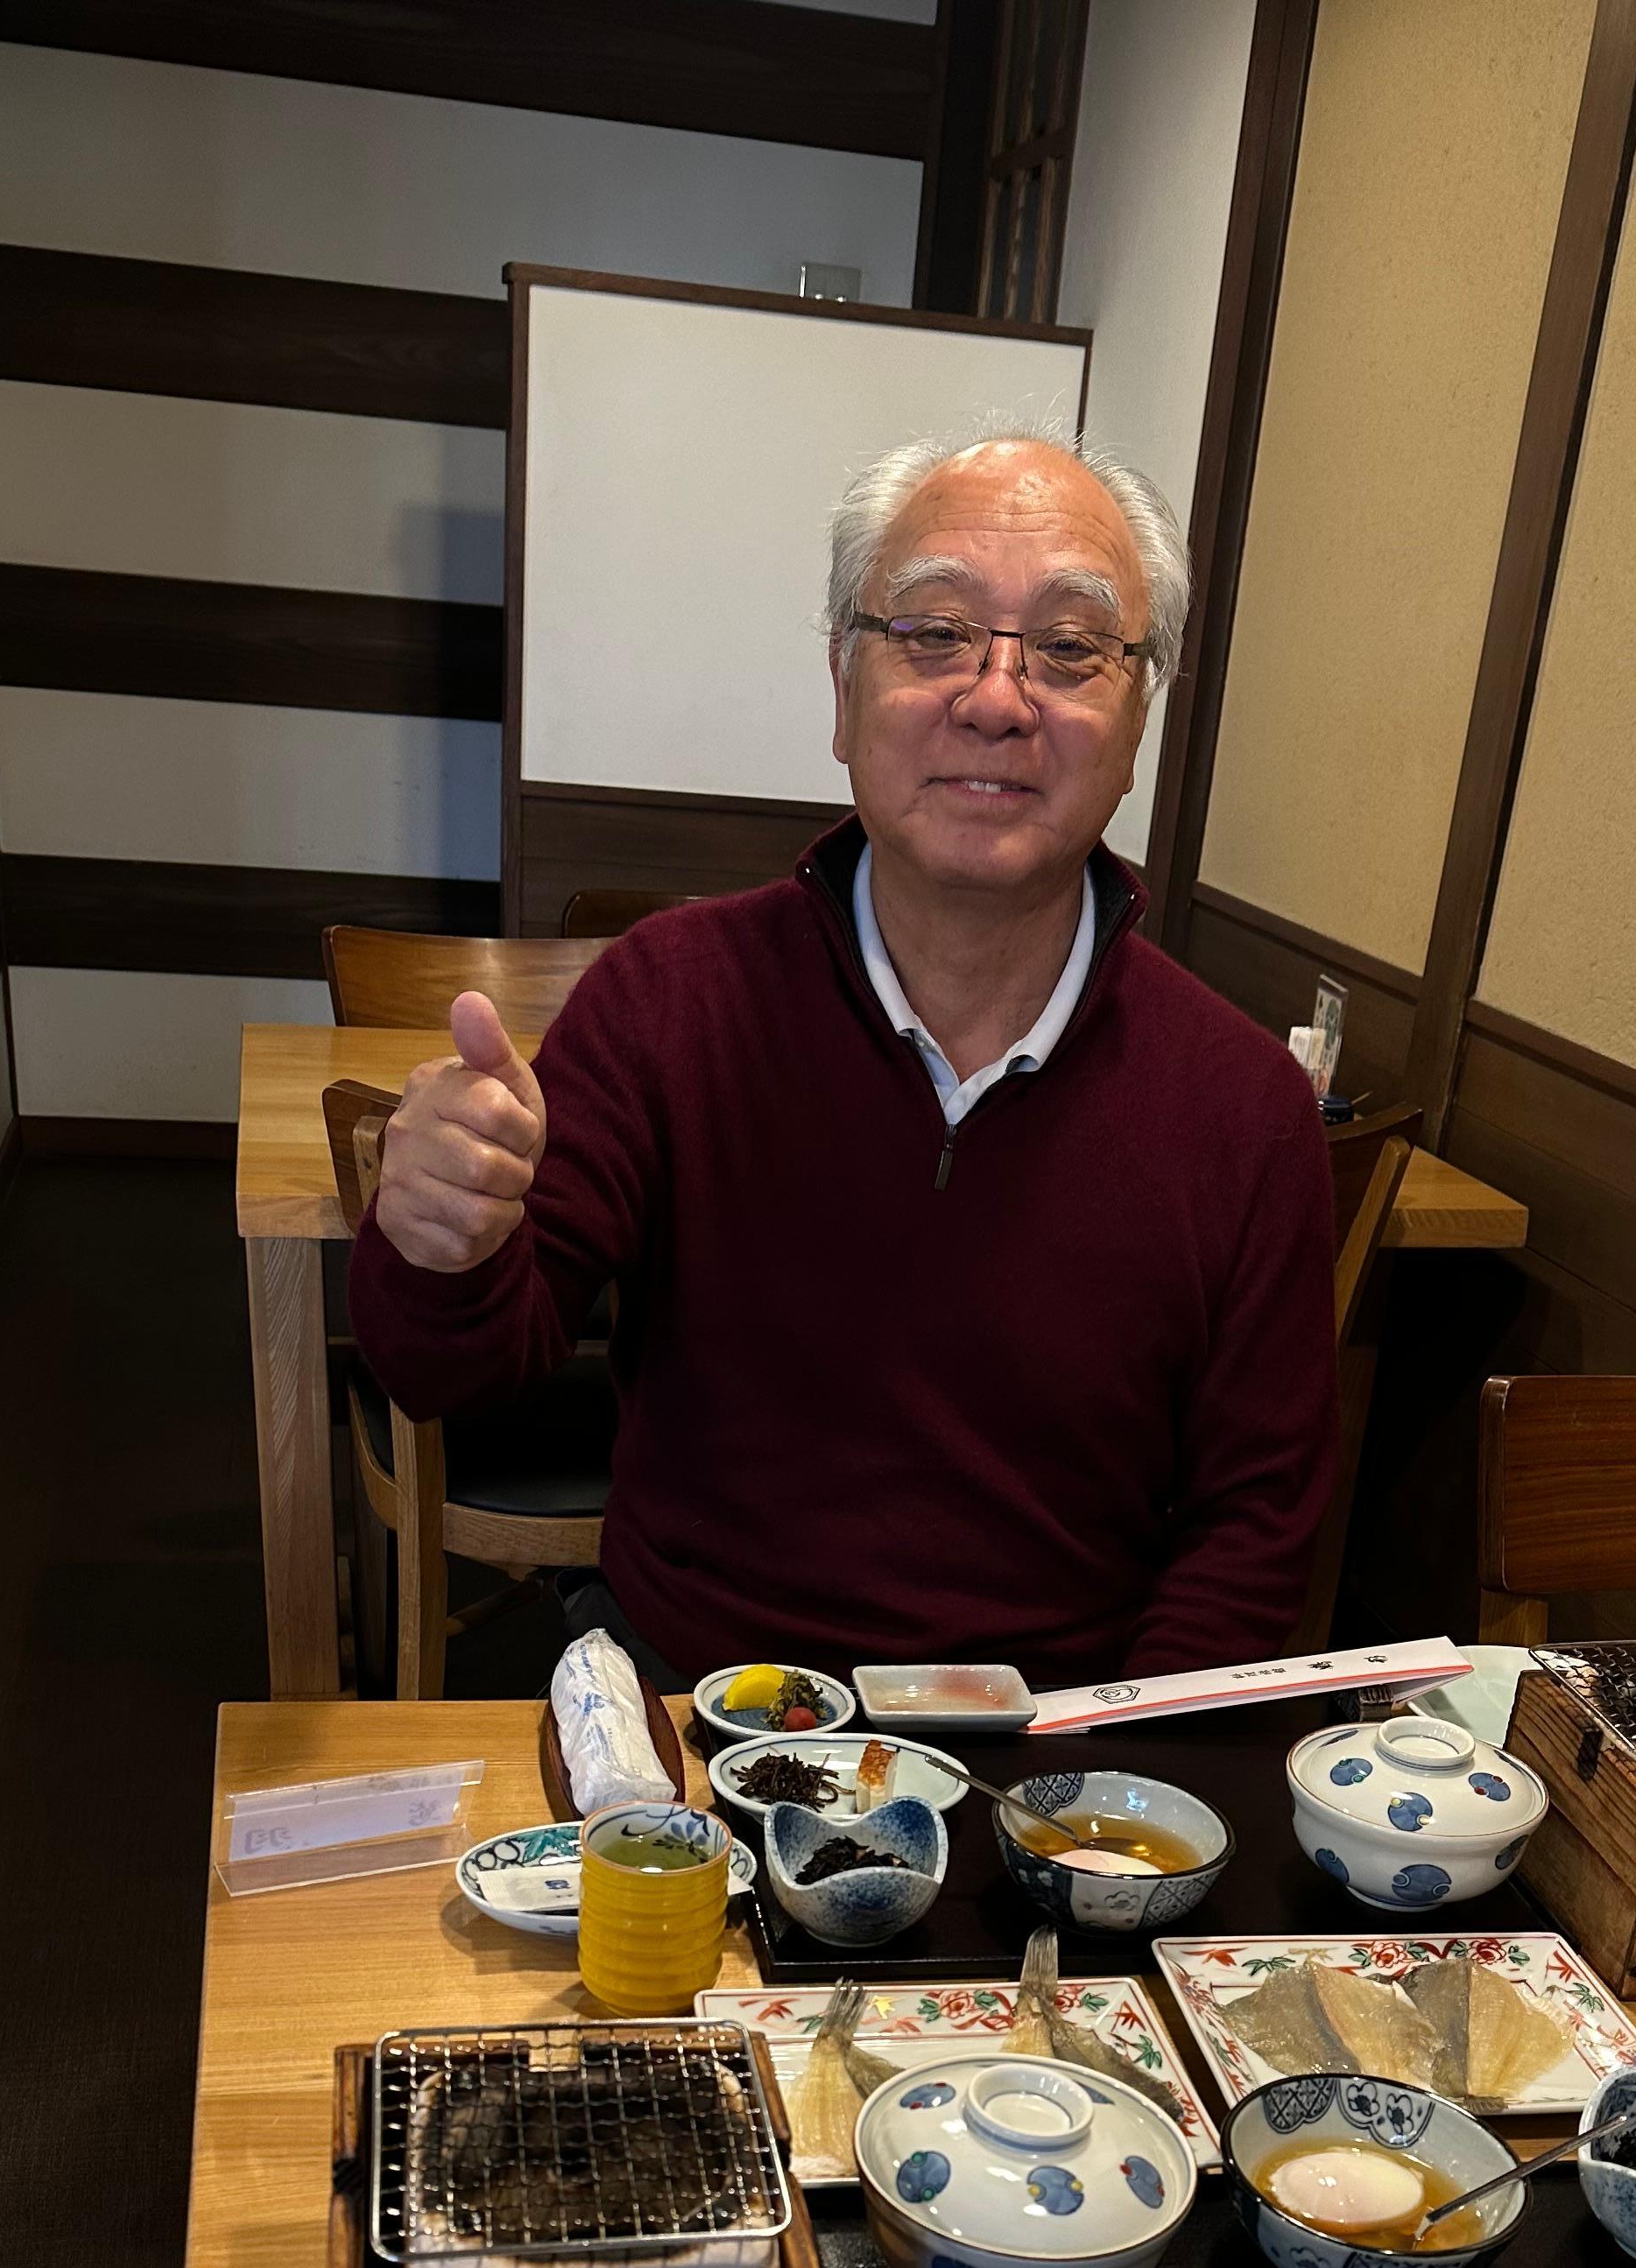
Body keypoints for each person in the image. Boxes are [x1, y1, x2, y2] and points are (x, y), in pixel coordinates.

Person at [349, 425, 1338, 1687]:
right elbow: (452, 1371)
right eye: (934, 632)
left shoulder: (1245, 1107)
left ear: (1139, 718)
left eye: (1074, 648)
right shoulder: (671, 997)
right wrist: (442, 1239)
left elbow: (1254, 1533)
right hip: (701, 1721)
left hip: (1049, 1761)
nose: (996, 696)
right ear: (842, 686)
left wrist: (1107, 1789)